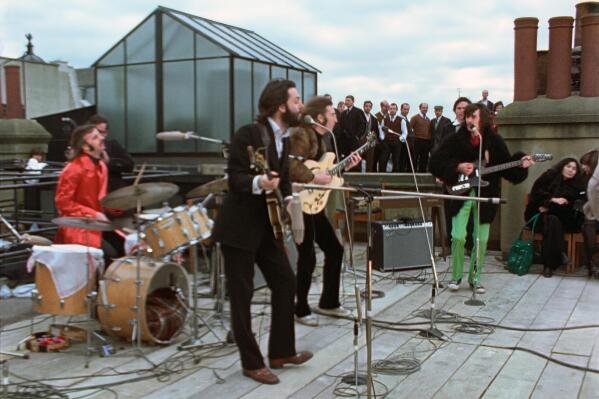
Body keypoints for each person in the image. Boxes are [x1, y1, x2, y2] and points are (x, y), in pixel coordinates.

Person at [211, 79, 312, 385]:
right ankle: (251, 362)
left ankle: (281, 351)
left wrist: (288, 197)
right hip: (239, 228)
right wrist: (259, 183)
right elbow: (235, 178)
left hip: (268, 227)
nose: (300, 105)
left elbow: (281, 181)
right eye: (296, 100)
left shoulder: (283, 138)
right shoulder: (250, 134)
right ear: (281, 105)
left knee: (285, 282)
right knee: (241, 299)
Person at [429, 103, 533, 292]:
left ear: (483, 120)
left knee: (481, 239)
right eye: (468, 116)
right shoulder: (454, 139)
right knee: (458, 236)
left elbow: (508, 168)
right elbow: (435, 162)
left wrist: (521, 164)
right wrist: (457, 167)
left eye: (473, 116)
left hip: (486, 195)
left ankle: (475, 278)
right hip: (460, 193)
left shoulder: (494, 141)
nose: (469, 120)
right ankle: (456, 276)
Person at [288, 96, 361, 327]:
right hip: (299, 203)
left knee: (335, 250)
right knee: (307, 257)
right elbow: (292, 166)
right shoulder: (301, 134)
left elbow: (326, 172)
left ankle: (328, 302)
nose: (336, 117)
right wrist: (314, 177)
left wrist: (344, 167)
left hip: (314, 205)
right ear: (320, 117)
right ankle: (300, 309)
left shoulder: (324, 141)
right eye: (332, 114)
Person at [525, 158, 585, 277]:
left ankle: (549, 265)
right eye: (568, 166)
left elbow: (572, 206)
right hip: (538, 218)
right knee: (552, 221)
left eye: (574, 169)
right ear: (562, 166)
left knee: (553, 220)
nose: (571, 170)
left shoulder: (576, 185)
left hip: (563, 220)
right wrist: (552, 200)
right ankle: (557, 256)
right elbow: (535, 195)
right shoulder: (548, 177)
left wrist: (549, 206)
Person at [54, 124, 110, 251]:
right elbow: (63, 203)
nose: (101, 138)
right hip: (78, 230)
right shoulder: (74, 169)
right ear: (85, 146)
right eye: (95, 137)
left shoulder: (101, 166)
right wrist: (94, 214)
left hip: (96, 226)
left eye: (100, 135)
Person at [580, 150, 599, 277]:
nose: (582, 167)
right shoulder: (587, 179)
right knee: (588, 224)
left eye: (585, 164)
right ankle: (592, 263)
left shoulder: (593, 181)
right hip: (592, 215)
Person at [380, 103, 403, 172]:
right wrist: (382, 138)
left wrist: (402, 138)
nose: (392, 110)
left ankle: (395, 178)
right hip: (386, 142)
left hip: (397, 142)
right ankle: (382, 176)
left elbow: (405, 132)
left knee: (396, 160)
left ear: (396, 110)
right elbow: (381, 130)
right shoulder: (384, 119)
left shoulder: (401, 120)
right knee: (383, 159)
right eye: (391, 109)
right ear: (389, 110)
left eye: (394, 109)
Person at [410, 102, 432, 172]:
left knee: (424, 158)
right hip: (417, 140)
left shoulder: (428, 119)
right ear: (420, 108)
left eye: (426, 108)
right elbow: (409, 129)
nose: (425, 109)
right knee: (415, 157)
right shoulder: (415, 118)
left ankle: (422, 173)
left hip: (426, 141)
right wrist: (413, 137)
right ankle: (413, 173)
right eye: (423, 108)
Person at [361, 100, 379, 172]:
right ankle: (357, 176)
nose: (368, 108)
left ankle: (368, 175)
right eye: (366, 106)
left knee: (370, 160)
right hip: (360, 141)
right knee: (358, 160)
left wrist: (373, 138)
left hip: (370, 142)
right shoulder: (359, 116)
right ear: (364, 107)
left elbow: (376, 131)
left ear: (371, 108)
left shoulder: (374, 119)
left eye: (369, 107)